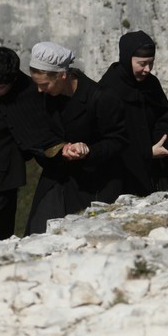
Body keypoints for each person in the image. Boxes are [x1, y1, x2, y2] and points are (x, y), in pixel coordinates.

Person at [0, 47, 65, 245]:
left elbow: (38, 133)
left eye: (0, 88)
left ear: (13, 81)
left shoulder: (27, 93)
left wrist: (62, 150)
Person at [24, 41, 128, 235]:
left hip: (94, 184)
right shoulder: (44, 97)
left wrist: (88, 150)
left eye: (44, 84)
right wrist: (60, 149)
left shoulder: (102, 98)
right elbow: (37, 133)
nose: (39, 90)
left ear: (62, 76)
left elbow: (118, 140)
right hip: (56, 181)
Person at [99, 31, 168, 195]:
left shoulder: (151, 83)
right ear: (126, 58)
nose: (147, 69)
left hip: (155, 171)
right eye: (142, 63)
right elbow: (110, 141)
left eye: (151, 63)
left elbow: (163, 115)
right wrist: (147, 153)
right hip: (124, 175)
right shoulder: (108, 90)